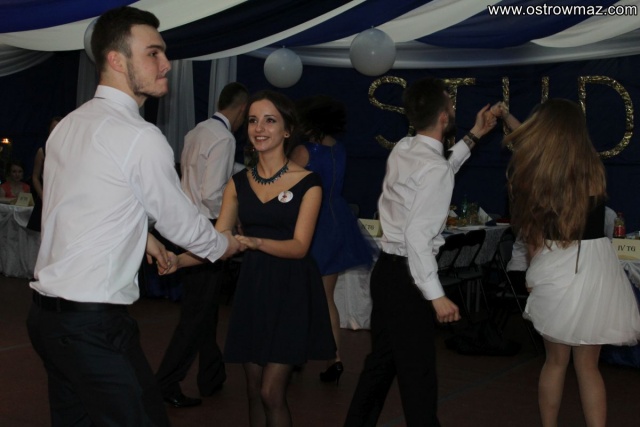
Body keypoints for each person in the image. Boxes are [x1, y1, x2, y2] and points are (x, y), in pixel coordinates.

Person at [26, 6, 240, 427]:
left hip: (47, 322)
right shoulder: (140, 136)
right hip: (92, 327)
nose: (166, 64)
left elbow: (80, 204)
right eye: (153, 53)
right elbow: (181, 223)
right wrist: (224, 244)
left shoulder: (68, 125)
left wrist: (143, 236)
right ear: (116, 60)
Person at [168, 90, 336, 427]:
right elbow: (217, 241)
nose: (259, 128)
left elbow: (299, 247)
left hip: (292, 290)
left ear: (287, 130)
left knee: (271, 393)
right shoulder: (238, 183)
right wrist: (178, 261)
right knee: (253, 390)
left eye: (270, 121)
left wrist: (257, 242)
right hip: (254, 289)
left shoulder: (308, 183)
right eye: (254, 120)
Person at [343, 77, 496, 427]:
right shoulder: (432, 165)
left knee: (381, 365)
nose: (453, 109)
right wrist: (436, 295)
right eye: (451, 105)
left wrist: (475, 135)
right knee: (418, 375)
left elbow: (440, 169)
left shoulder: (405, 147)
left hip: (387, 273)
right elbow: (417, 234)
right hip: (407, 279)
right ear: (443, 117)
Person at [504, 98, 640, 427]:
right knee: (589, 367)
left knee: (554, 363)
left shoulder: (538, 174)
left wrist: (533, 273)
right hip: (595, 267)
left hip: (556, 262)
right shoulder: (592, 167)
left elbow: (534, 238)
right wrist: (507, 116)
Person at [155, 81, 249, 408]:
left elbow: (189, 183)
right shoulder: (224, 138)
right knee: (197, 314)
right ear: (241, 109)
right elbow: (211, 194)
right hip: (208, 227)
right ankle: (166, 382)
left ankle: (211, 375)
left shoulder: (196, 131)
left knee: (204, 309)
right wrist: (230, 222)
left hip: (187, 224)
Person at [290, 95, 376, 384]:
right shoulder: (338, 149)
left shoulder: (304, 151)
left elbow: (286, 189)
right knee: (327, 297)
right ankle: (334, 358)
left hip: (311, 223)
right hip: (337, 220)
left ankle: (294, 354)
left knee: (299, 294)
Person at [27, 116, 62, 231]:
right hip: (47, 195)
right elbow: (35, 177)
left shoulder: (71, 150)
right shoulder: (43, 151)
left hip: (63, 196)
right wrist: (42, 195)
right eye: (53, 128)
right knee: (41, 232)